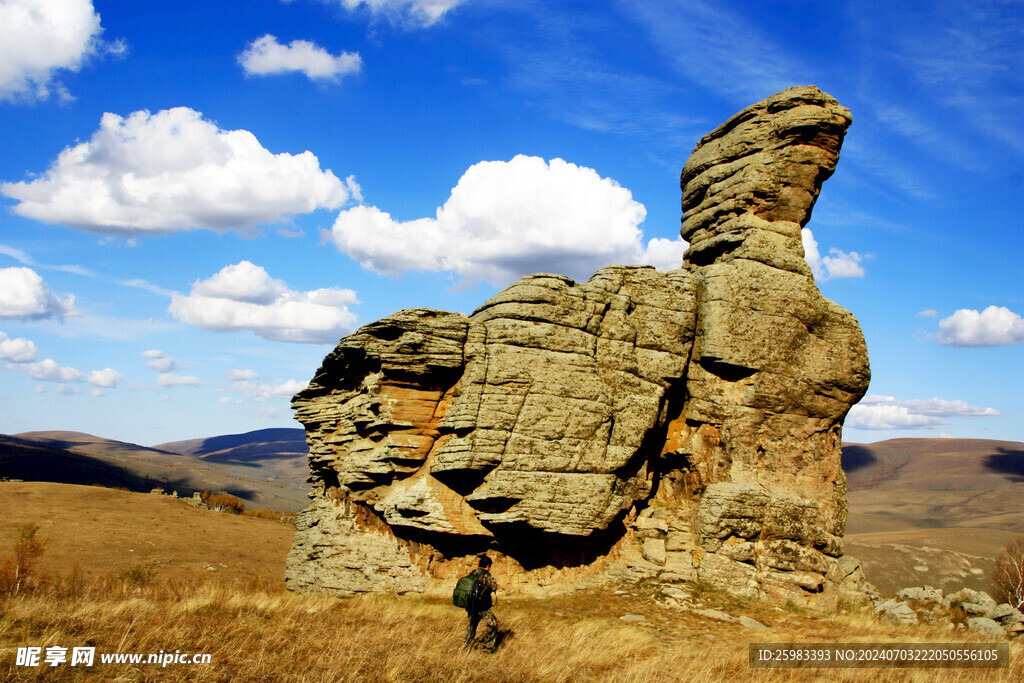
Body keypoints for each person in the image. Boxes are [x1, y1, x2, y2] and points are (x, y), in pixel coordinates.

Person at [464, 555, 499, 653]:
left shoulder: (473, 573)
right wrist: (494, 582)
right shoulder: (486, 574)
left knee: (472, 626)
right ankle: (488, 648)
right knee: (493, 624)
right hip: (482, 606)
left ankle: (467, 647)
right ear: (487, 566)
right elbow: (493, 587)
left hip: (471, 604)